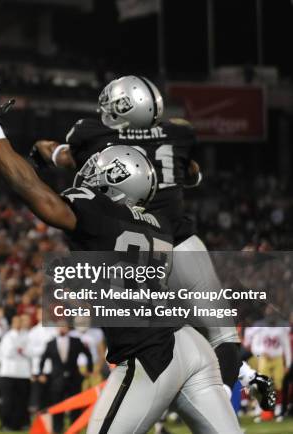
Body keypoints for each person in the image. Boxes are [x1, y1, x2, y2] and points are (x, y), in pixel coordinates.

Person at [0, 75, 242, 433]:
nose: (91, 173)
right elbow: (187, 173)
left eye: (100, 169)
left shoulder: (98, 210)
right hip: (192, 347)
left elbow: (30, 189)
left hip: (149, 353)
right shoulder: (160, 224)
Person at [31, 75, 276, 408]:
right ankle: (226, 399)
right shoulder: (178, 132)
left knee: (150, 341)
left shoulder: (93, 134)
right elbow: (192, 173)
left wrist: (42, 151)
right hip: (178, 243)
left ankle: (159, 408)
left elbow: (62, 156)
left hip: (130, 252)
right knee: (219, 335)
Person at [39, 325, 93, 434]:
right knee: (57, 405)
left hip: (74, 379)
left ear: (68, 328)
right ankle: (57, 429)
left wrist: (89, 370)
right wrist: (41, 373)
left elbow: (88, 355)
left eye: (64, 327)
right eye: (60, 327)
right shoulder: (50, 343)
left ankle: (74, 429)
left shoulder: (76, 341)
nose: (62, 329)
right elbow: (43, 359)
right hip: (56, 380)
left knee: (75, 406)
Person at [0, 315, 31, 430]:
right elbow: (6, 353)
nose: (18, 324)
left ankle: (21, 424)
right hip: (8, 373)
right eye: (15, 322)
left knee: (21, 401)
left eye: (20, 321)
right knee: (8, 400)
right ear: (12, 323)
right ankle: (6, 424)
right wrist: (19, 349)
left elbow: (30, 352)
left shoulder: (27, 335)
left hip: (23, 373)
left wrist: (20, 350)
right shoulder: (7, 337)